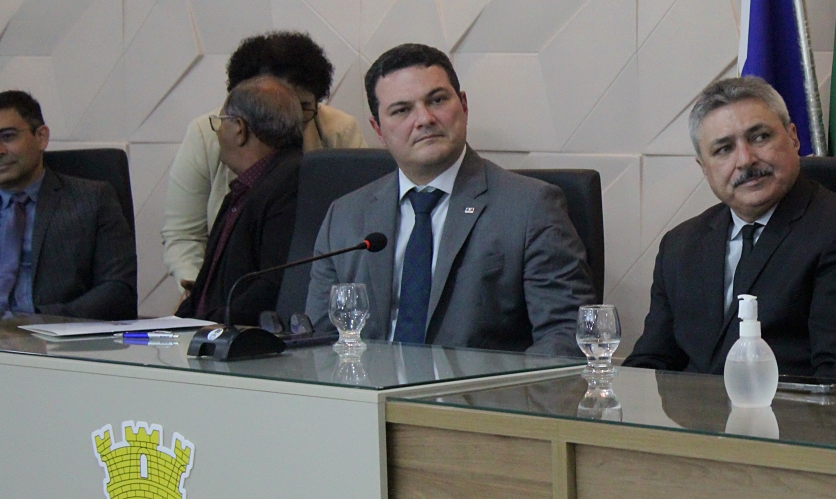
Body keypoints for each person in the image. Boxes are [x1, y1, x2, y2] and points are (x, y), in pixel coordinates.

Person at [305, 43, 593, 356]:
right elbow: (320, 343)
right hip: (367, 386)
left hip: (479, 388)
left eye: (437, 100)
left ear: (464, 105)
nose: (424, 119)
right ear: (378, 129)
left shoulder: (529, 207)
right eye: (401, 110)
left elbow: (565, 336)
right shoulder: (345, 216)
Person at [625, 77, 836, 378]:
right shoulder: (680, 245)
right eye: (724, 149)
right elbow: (651, 361)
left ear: (793, 138)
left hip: (785, 408)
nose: (745, 160)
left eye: (759, 137)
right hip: (691, 408)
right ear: (704, 168)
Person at [162, 31, 365, 297]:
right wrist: (202, 292)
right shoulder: (207, 133)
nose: (288, 116)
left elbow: (361, 223)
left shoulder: (339, 131)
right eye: (272, 106)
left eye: (302, 106)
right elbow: (184, 234)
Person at [175, 76, 304, 325]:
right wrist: (175, 324)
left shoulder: (290, 183)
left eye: (220, 122)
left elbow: (275, 282)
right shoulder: (248, 186)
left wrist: (209, 323)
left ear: (239, 129)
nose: (218, 132)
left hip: (242, 340)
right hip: (212, 332)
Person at [0, 91, 135, 320]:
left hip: (55, 334)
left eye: (8, 137)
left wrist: (41, 321)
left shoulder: (93, 199)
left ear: (41, 137)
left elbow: (118, 289)